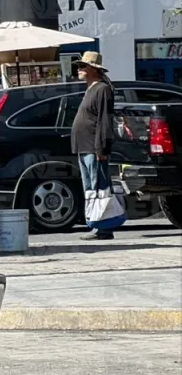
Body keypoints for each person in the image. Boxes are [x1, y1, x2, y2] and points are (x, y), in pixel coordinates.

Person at [70, 51, 117, 241]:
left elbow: (104, 120)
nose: (79, 69)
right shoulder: (90, 89)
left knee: (100, 188)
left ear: (93, 69)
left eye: (83, 66)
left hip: (94, 147)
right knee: (90, 189)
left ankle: (104, 228)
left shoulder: (103, 89)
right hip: (83, 146)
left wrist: (102, 148)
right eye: (79, 66)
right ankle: (95, 223)